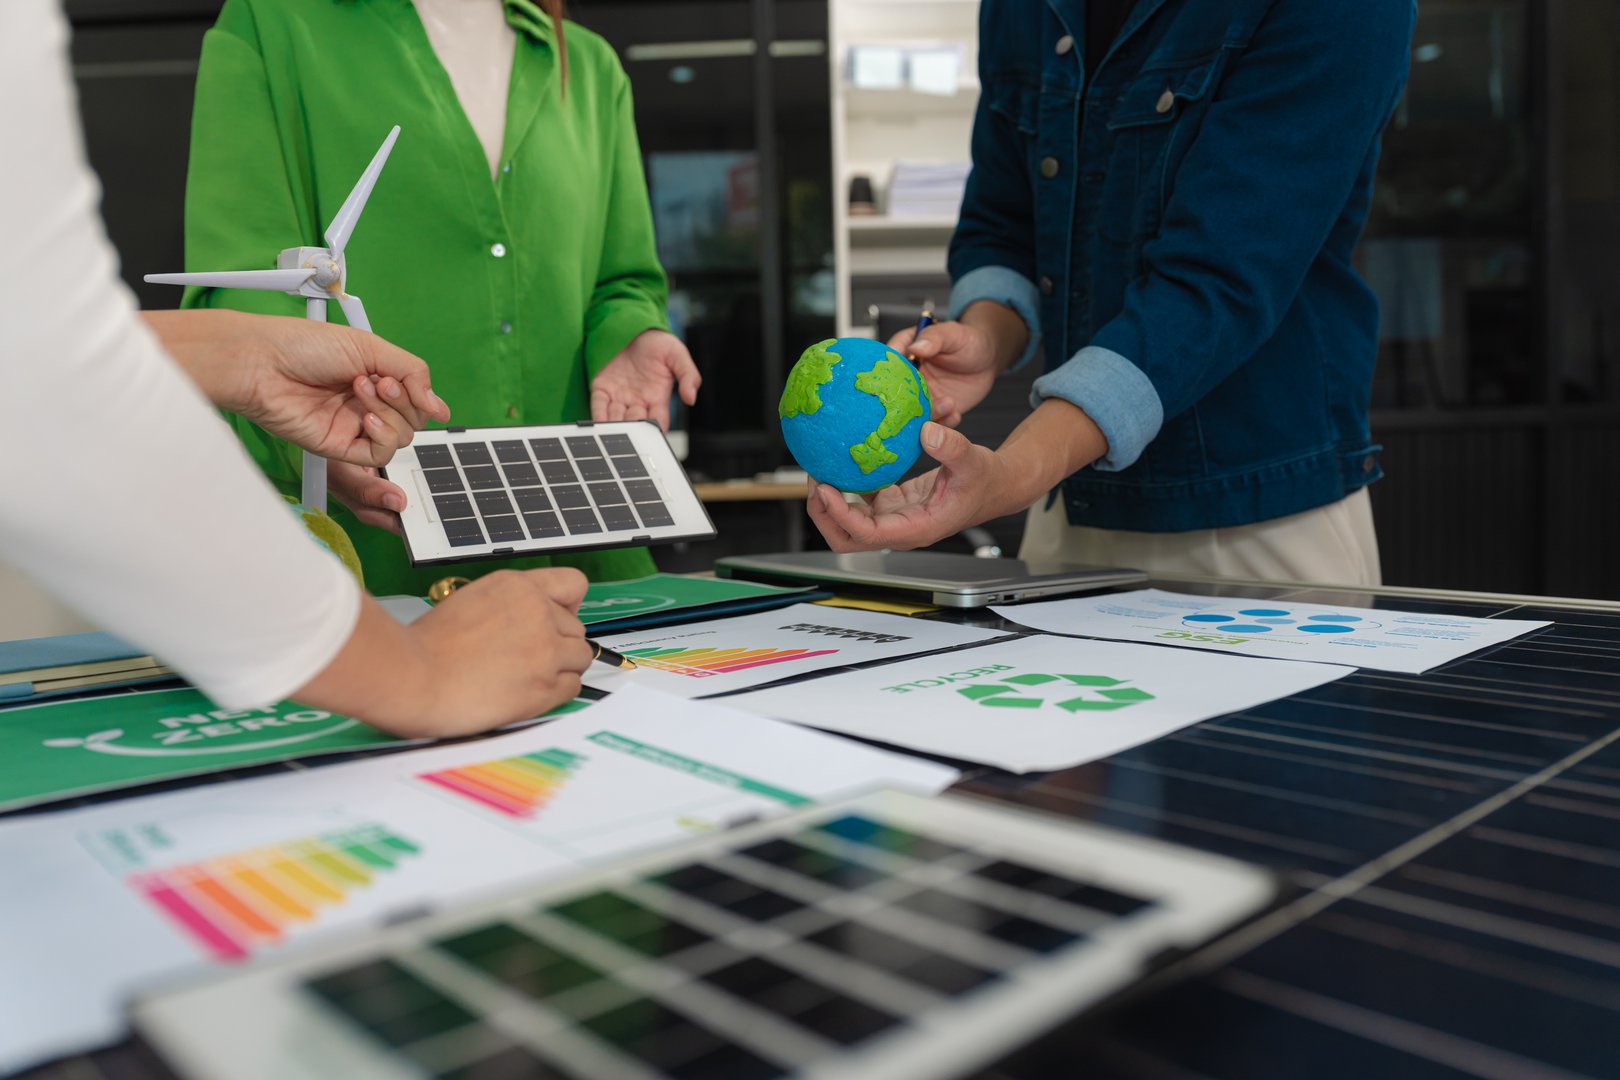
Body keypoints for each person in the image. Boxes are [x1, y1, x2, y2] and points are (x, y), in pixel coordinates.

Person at [2, 0, 592, 738]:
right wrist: (415, 677)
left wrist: (235, 357)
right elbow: (40, 372)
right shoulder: (270, 25)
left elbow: (25, 348)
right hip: (369, 586)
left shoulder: (587, 65)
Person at [808, 0, 1416, 587]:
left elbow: (1222, 276)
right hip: (1070, 507)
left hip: (1255, 521)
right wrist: (988, 334)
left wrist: (1013, 474)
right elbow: (1004, 222)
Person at [180, 0, 700, 596]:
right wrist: (312, 444)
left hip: (581, 547)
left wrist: (633, 334)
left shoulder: (588, 66)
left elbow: (623, 280)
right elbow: (242, 291)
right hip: (373, 547)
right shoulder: (270, 25)